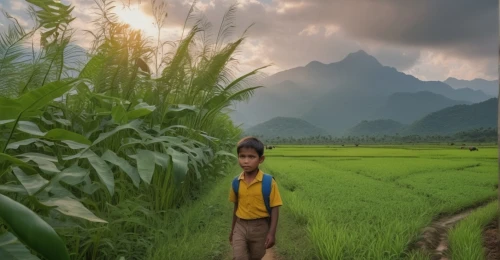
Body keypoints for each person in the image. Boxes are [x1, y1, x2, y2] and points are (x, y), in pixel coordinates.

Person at [229, 136, 283, 260]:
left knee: (256, 256)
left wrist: (272, 233)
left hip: (260, 227)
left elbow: (275, 208)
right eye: (242, 156)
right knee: (239, 256)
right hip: (240, 225)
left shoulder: (269, 182)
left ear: (261, 159)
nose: (246, 161)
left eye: (251, 157)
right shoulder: (236, 182)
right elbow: (236, 207)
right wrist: (232, 230)